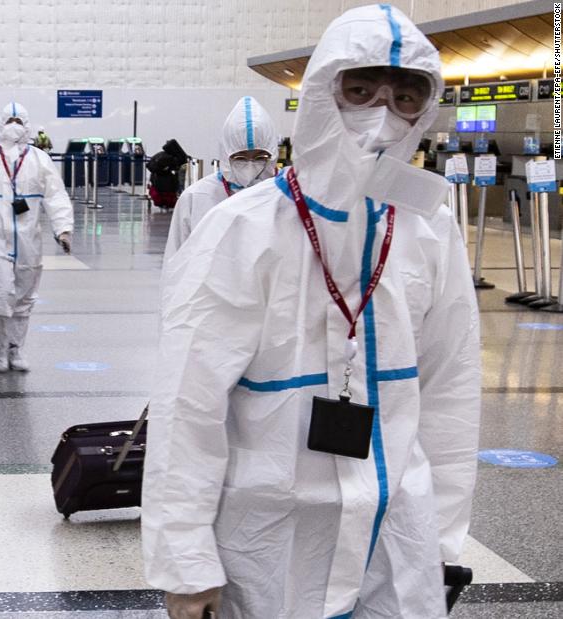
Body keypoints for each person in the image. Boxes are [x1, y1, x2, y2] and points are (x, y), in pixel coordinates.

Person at [143, 5, 480, 618]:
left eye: (405, 95)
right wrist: (186, 565)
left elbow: (451, 388)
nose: (381, 112)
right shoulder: (239, 232)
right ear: (325, 91)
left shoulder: (429, 229)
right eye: (360, 89)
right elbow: (187, 405)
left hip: (395, 534)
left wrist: (445, 541)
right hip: (268, 540)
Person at [0, 102, 73, 373]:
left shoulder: (38, 158)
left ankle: (15, 347)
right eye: (9, 120)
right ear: (0, 124)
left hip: (28, 235)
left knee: (24, 296)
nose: (14, 125)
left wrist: (63, 229)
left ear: (27, 125)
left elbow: (56, 195)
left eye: (19, 120)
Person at [163, 96, 279, 262]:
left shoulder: (288, 198)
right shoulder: (196, 198)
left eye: (261, 157)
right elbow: (175, 259)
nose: (251, 166)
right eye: (240, 158)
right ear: (225, 155)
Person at [145, 139, 188, 209]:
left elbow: (150, 165)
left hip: (157, 183)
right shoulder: (170, 158)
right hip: (168, 185)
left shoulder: (159, 155)